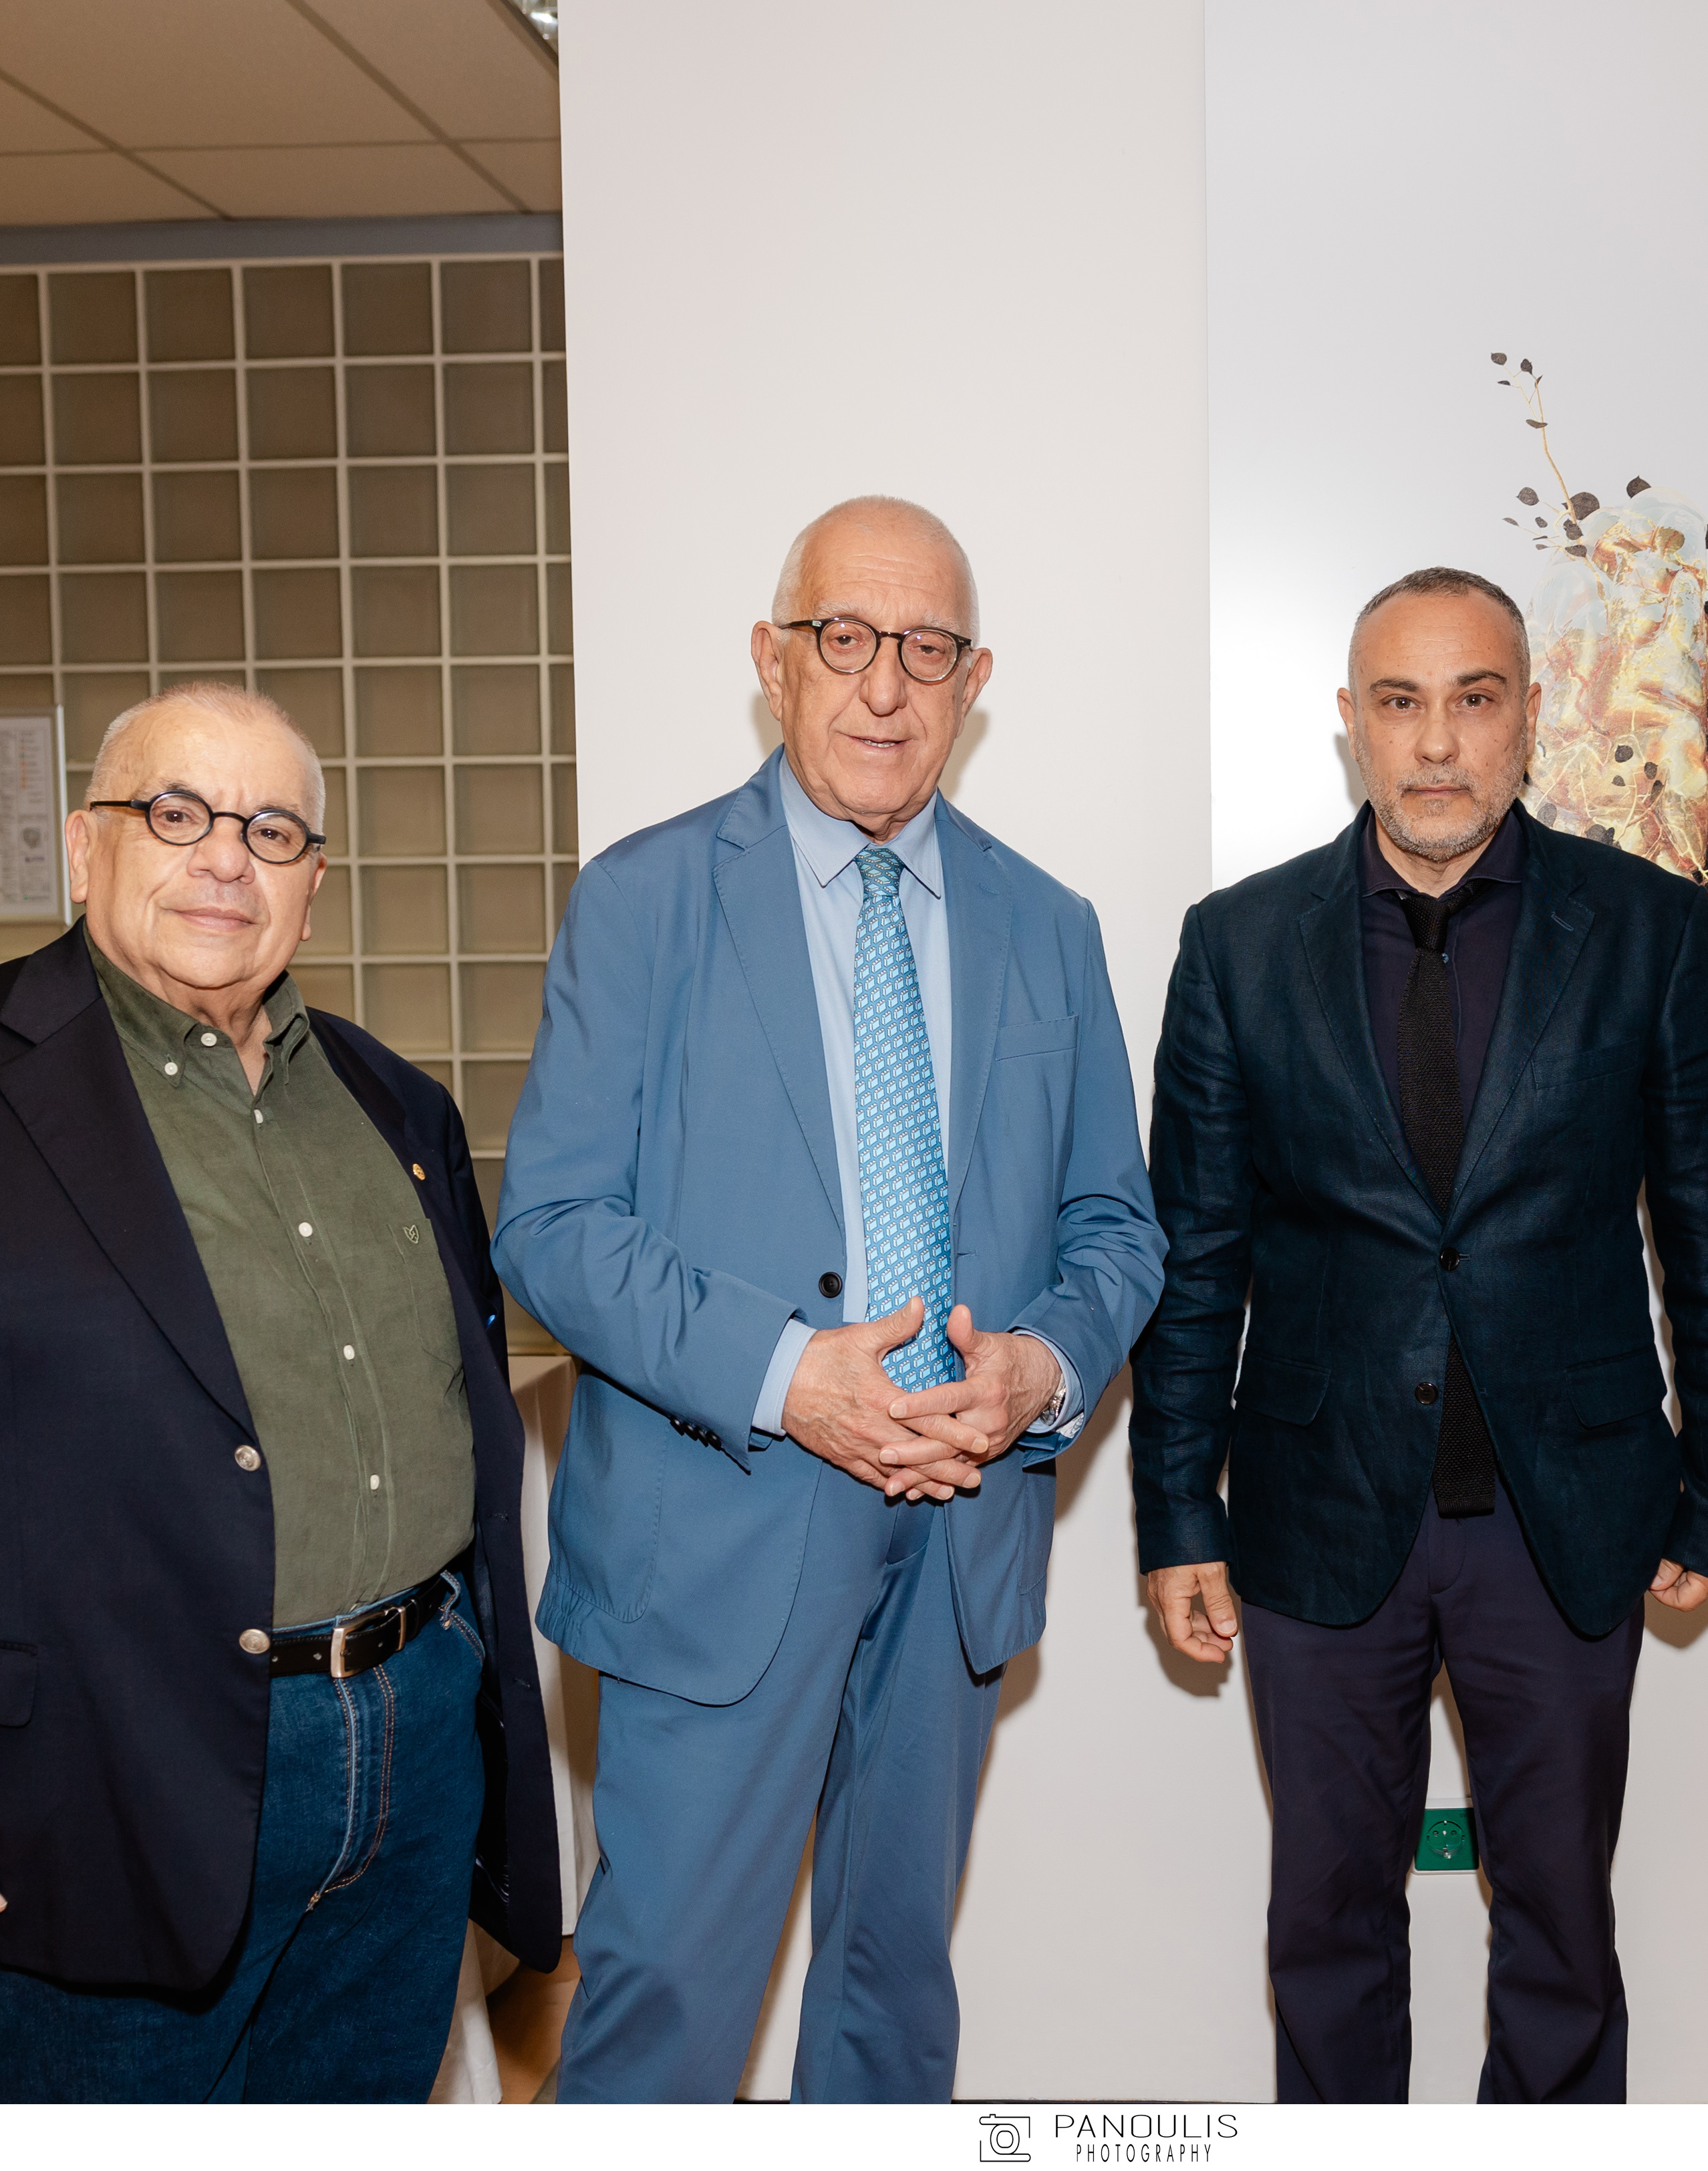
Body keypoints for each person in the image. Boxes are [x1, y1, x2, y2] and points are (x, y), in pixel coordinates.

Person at [0, 682, 560, 2101]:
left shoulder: (395, 1102)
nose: (225, 858)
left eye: (272, 829)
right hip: (99, 1790)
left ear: (313, 883)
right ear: (85, 846)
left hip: (413, 1760)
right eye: (176, 814)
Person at [496, 495, 1164, 2102]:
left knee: (891, 1992)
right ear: (772, 658)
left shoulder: (1048, 924)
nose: (882, 686)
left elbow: (1115, 1227)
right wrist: (788, 1372)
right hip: (721, 1528)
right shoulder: (645, 899)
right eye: (844, 637)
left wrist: (1036, 1370)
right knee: (668, 1991)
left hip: (961, 1528)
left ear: (973, 680)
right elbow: (554, 1225)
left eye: (925, 649)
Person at [1129, 567, 1708, 2102]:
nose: (1436, 743)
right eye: (1401, 702)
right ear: (1350, 722)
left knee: (1560, 1920)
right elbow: (1194, 1253)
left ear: (1528, 718)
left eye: (1474, 699)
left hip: (1566, 1512)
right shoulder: (1237, 943)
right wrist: (1175, 1512)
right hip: (1314, 1511)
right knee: (1325, 1923)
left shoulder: (1646, 928)